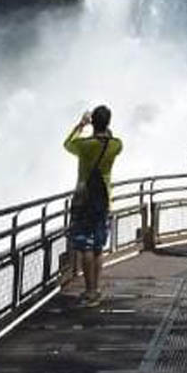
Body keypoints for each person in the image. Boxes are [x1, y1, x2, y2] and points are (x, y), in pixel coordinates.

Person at [64, 104, 123, 306]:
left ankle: (89, 292)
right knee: (97, 247)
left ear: (93, 122)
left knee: (85, 246)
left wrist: (81, 125)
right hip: (105, 199)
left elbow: (67, 144)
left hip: (84, 200)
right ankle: (96, 288)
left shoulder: (85, 145)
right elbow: (111, 138)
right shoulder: (115, 144)